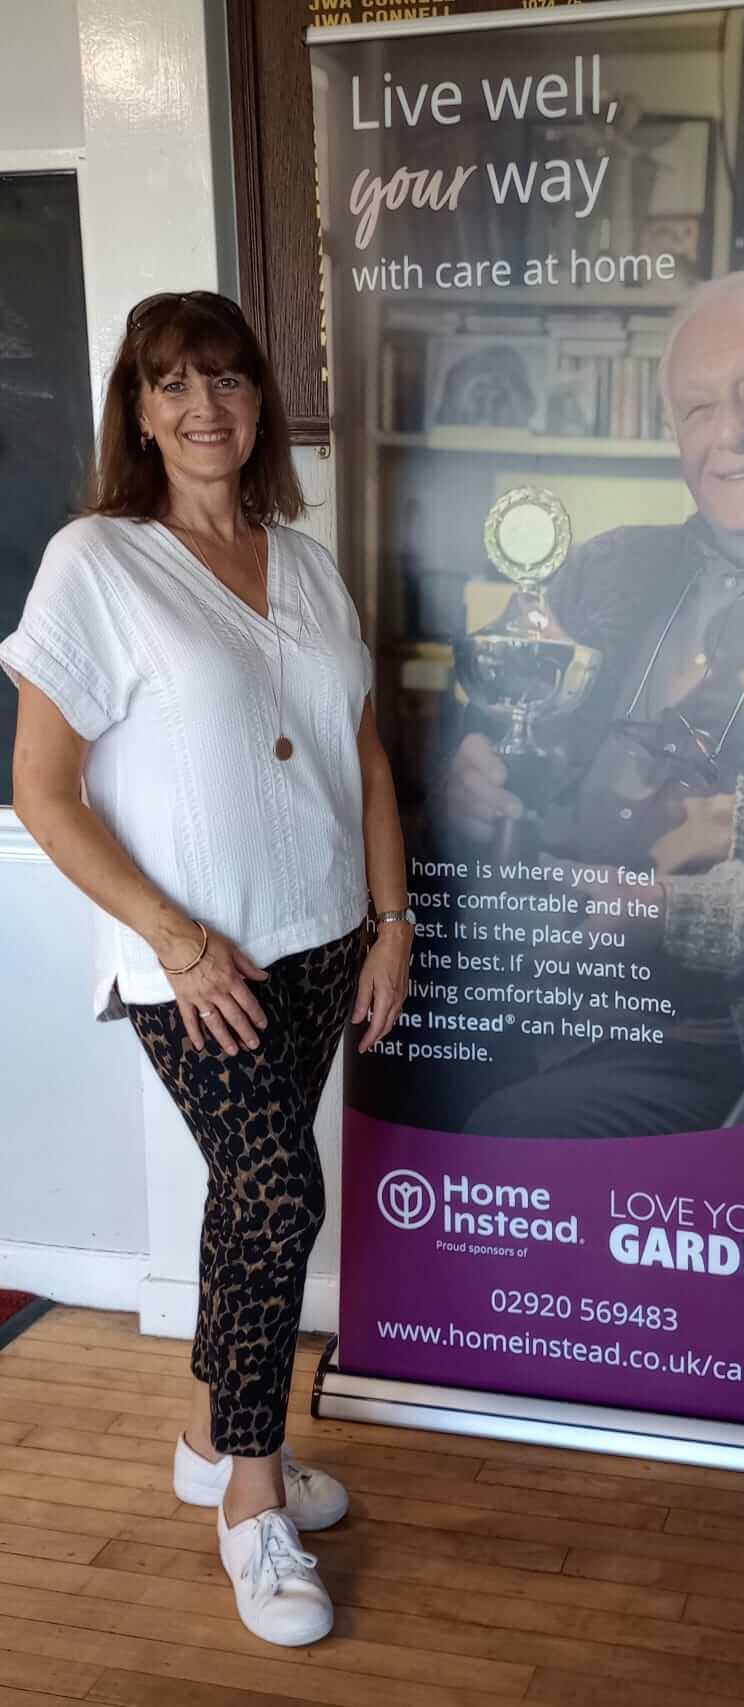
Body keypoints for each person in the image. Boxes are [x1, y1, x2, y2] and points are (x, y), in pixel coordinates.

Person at [1, 291, 413, 1648]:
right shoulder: (98, 559)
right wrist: (174, 938)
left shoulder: (302, 560)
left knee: (251, 1197)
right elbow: (46, 789)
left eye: (228, 380)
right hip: (197, 961)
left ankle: (204, 1433)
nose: (202, 409)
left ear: (259, 405)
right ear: (137, 406)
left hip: (318, 938)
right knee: (278, 1189)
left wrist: (391, 917)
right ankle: (251, 1500)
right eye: (172, 383)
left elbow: (358, 755)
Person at [443, 266, 744, 1138]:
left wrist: (659, 914)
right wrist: (479, 792)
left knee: (506, 1128)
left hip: (730, 1044)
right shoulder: (608, 575)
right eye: (699, 408)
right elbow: (525, 741)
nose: (733, 433)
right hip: (551, 997)